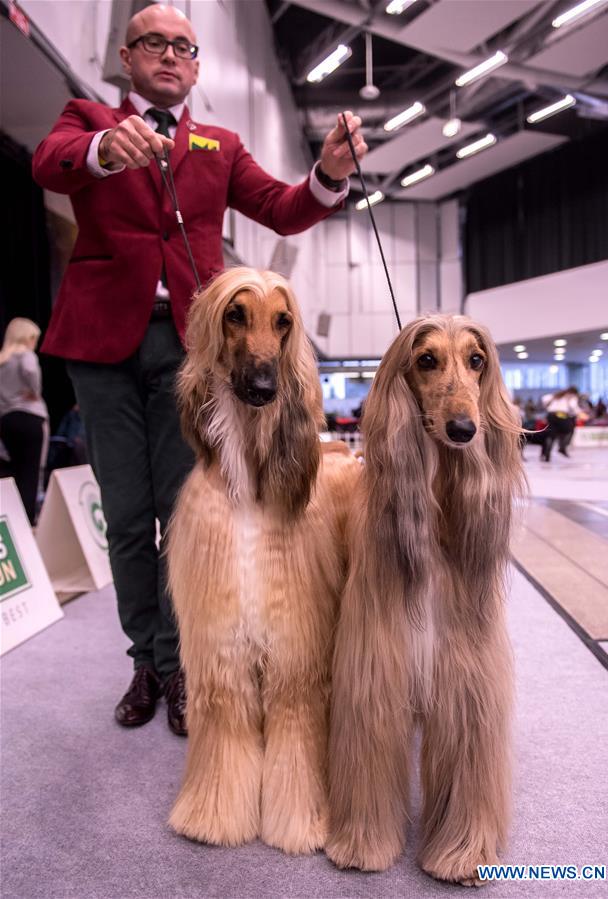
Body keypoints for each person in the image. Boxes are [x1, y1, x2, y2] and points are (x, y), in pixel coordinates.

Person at [31, 4, 367, 736]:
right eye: (156, 42)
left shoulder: (218, 140)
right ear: (128, 55)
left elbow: (281, 208)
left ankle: (179, 663)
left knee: (185, 516)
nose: (172, 55)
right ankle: (143, 661)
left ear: (196, 67)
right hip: (101, 346)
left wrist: (328, 175)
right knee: (125, 518)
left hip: (193, 351)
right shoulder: (87, 117)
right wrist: (102, 152)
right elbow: (45, 161)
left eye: (186, 46)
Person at [0, 318, 49, 525]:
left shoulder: (2, 360)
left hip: (6, 419)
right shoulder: (25, 355)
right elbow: (29, 370)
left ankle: (11, 517)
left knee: (14, 470)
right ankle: (26, 521)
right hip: (29, 417)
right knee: (30, 471)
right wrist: (35, 391)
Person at [541, 387, 583, 462]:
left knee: (551, 434)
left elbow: (544, 399)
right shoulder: (571, 397)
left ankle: (546, 455)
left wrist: (548, 406)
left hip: (551, 415)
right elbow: (573, 407)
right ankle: (562, 447)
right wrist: (580, 414)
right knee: (570, 430)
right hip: (561, 415)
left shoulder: (556, 395)